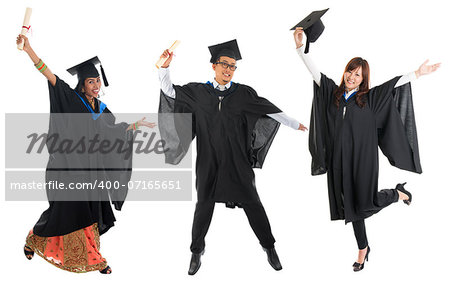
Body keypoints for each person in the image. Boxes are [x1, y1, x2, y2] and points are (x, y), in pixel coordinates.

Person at [293, 27, 440, 271]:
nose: (352, 76)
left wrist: (418, 73)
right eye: (350, 70)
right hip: (339, 161)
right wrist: (300, 48)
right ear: (345, 72)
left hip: (363, 161)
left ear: (364, 79)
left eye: (358, 74)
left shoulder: (370, 99)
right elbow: (314, 71)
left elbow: (394, 84)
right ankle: (363, 248)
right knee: (351, 207)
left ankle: (396, 194)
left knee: (365, 203)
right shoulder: (333, 94)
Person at [158, 39, 307, 275]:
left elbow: (268, 109)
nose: (228, 69)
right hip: (208, 161)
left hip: (238, 162)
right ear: (214, 66)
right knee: (203, 205)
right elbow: (170, 92)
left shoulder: (243, 94)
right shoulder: (198, 92)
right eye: (225, 64)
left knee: (253, 203)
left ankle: (269, 247)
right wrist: (164, 68)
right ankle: (196, 251)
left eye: (233, 66)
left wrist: (295, 123)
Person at [17, 34, 155, 274]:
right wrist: (29, 50)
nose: (96, 86)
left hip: (93, 170)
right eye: (91, 82)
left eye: (97, 81)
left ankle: (94, 256)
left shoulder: (100, 109)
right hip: (69, 168)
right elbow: (50, 76)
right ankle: (34, 238)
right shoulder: (71, 100)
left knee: (90, 211)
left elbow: (111, 131)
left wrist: (134, 126)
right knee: (64, 211)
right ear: (82, 84)